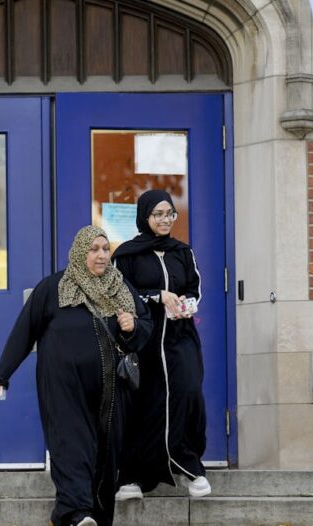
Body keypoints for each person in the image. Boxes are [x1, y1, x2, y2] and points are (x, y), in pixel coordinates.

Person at [0, 225, 153, 526]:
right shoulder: (53, 289)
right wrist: (2, 373)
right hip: (63, 388)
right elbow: (24, 331)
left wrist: (134, 326)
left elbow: (145, 330)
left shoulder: (122, 288)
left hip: (111, 392)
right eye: (94, 249)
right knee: (72, 447)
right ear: (80, 252)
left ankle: (94, 517)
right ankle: (76, 512)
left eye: (105, 249)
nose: (101, 255)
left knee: (106, 456)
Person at [111, 189, 211, 501]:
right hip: (145, 340)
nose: (165, 220)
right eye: (159, 214)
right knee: (146, 402)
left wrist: (186, 303)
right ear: (145, 217)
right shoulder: (126, 255)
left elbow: (195, 290)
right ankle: (134, 478)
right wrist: (157, 295)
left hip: (180, 338)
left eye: (170, 213)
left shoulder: (183, 252)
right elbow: (120, 294)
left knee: (188, 392)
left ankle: (190, 466)